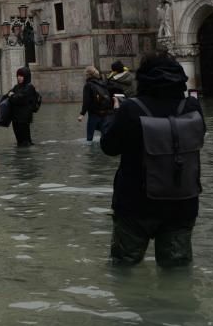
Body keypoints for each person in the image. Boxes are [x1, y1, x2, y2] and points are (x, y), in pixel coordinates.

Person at [100, 50, 206, 268]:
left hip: (135, 206)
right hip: (182, 204)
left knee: (123, 268)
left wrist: (113, 113)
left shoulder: (131, 109)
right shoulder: (192, 107)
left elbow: (108, 147)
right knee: (177, 271)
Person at [4, 66, 37, 147]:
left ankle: (26, 155)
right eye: (18, 75)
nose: (19, 77)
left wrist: (12, 96)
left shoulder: (29, 87)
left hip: (24, 118)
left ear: (26, 76)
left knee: (25, 141)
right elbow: (6, 96)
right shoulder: (16, 87)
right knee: (19, 140)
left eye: (21, 76)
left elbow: (20, 99)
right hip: (15, 118)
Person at [78, 66, 113, 143]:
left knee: (89, 139)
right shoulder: (103, 83)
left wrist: (82, 114)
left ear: (88, 75)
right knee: (104, 137)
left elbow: (86, 101)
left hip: (94, 114)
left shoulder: (88, 85)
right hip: (106, 113)